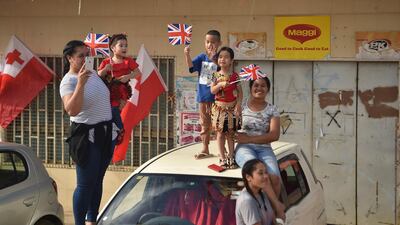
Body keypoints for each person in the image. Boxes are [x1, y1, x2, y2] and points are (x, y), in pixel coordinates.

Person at [60, 40, 116, 225]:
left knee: (97, 180)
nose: (85, 59)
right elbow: (72, 110)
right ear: (70, 58)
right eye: (81, 56)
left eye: (87, 55)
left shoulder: (91, 73)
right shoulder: (69, 81)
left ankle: (92, 219)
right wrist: (80, 84)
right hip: (86, 136)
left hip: (106, 133)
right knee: (85, 185)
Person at [234, 76, 285, 220]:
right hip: (244, 148)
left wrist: (249, 138)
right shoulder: (241, 106)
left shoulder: (272, 109)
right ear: (250, 88)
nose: (259, 88)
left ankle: (268, 210)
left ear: (268, 89)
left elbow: (274, 135)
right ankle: (275, 206)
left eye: (263, 86)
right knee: (258, 173)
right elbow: (230, 126)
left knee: (274, 177)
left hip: (264, 149)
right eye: (255, 85)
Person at [184, 30, 222, 159]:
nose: (210, 45)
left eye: (213, 42)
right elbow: (190, 68)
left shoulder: (222, 57)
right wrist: (187, 54)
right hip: (204, 98)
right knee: (205, 125)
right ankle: (205, 148)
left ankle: (221, 149)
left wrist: (215, 59)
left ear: (219, 43)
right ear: (204, 43)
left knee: (219, 124)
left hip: (219, 99)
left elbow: (224, 71)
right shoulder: (201, 57)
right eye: (207, 42)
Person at [98, 33, 142, 144]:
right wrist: (105, 69)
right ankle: (113, 130)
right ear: (113, 48)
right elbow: (98, 75)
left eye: (126, 45)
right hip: (108, 90)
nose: (124, 48)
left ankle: (120, 127)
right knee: (109, 112)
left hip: (122, 91)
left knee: (115, 110)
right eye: (121, 45)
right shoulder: (106, 62)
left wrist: (127, 76)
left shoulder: (128, 61)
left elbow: (138, 72)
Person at [210, 47, 242, 169]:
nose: (223, 59)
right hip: (219, 109)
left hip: (232, 108)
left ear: (231, 60)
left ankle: (232, 157)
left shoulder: (235, 76)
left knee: (231, 134)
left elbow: (240, 92)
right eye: (220, 57)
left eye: (226, 57)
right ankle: (222, 158)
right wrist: (220, 84)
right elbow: (212, 90)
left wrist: (238, 104)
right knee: (220, 134)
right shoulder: (215, 75)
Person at [235, 159, 275, 225]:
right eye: (260, 173)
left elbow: (273, 220)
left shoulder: (261, 193)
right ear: (248, 177)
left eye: (266, 172)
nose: (266, 176)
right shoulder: (247, 201)